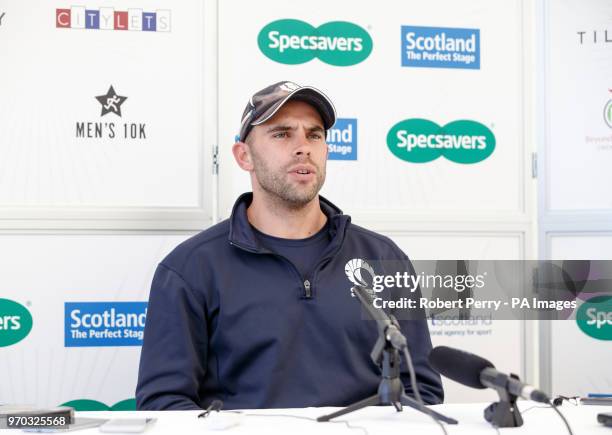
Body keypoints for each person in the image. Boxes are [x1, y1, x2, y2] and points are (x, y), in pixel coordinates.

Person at [135, 81, 443, 410]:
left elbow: (421, 388)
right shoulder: (190, 268)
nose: (303, 147)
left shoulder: (384, 258)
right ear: (244, 156)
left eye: (314, 134)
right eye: (282, 134)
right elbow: (163, 403)